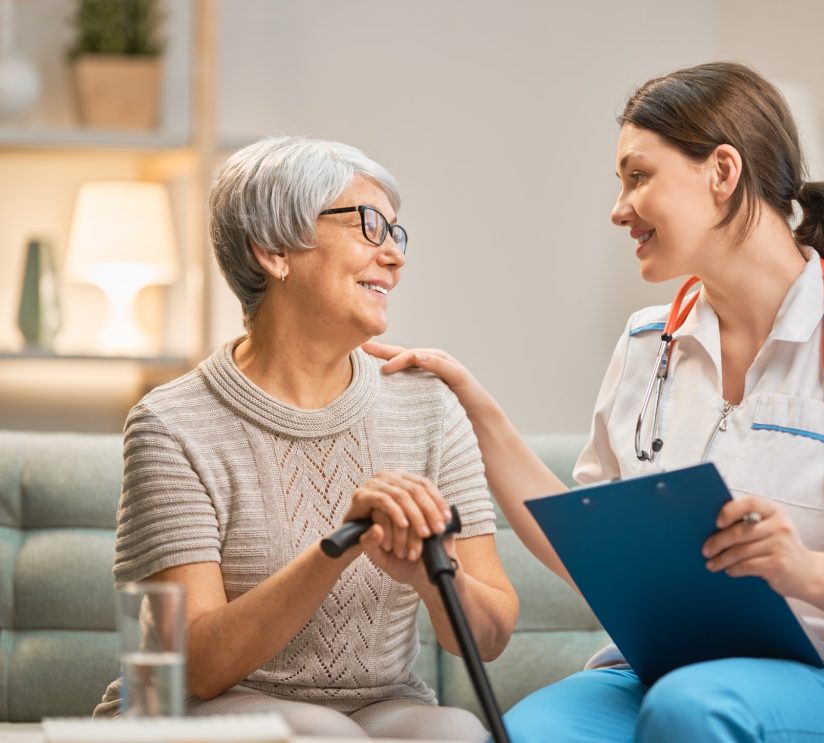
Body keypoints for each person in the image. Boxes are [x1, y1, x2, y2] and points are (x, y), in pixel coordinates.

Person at [366, 63, 824, 743]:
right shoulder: (645, 344)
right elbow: (587, 547)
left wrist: (802, 570)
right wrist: (472, 405)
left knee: (693, 708)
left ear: (722, 171)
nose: (619, 207)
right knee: (529, 731)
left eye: (638, 176)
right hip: (652, 671)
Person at [93, 136, 518, 741]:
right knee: (321, 735)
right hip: (191, 707)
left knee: (456, 732)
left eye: (396, 233)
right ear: (272, 249)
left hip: (382, 705)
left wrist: (430, 573)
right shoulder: (172, 422)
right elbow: (198, 666)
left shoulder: (427, 405)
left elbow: (494, 634)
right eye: (370, 226)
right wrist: (337, 546)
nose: (394, 256)